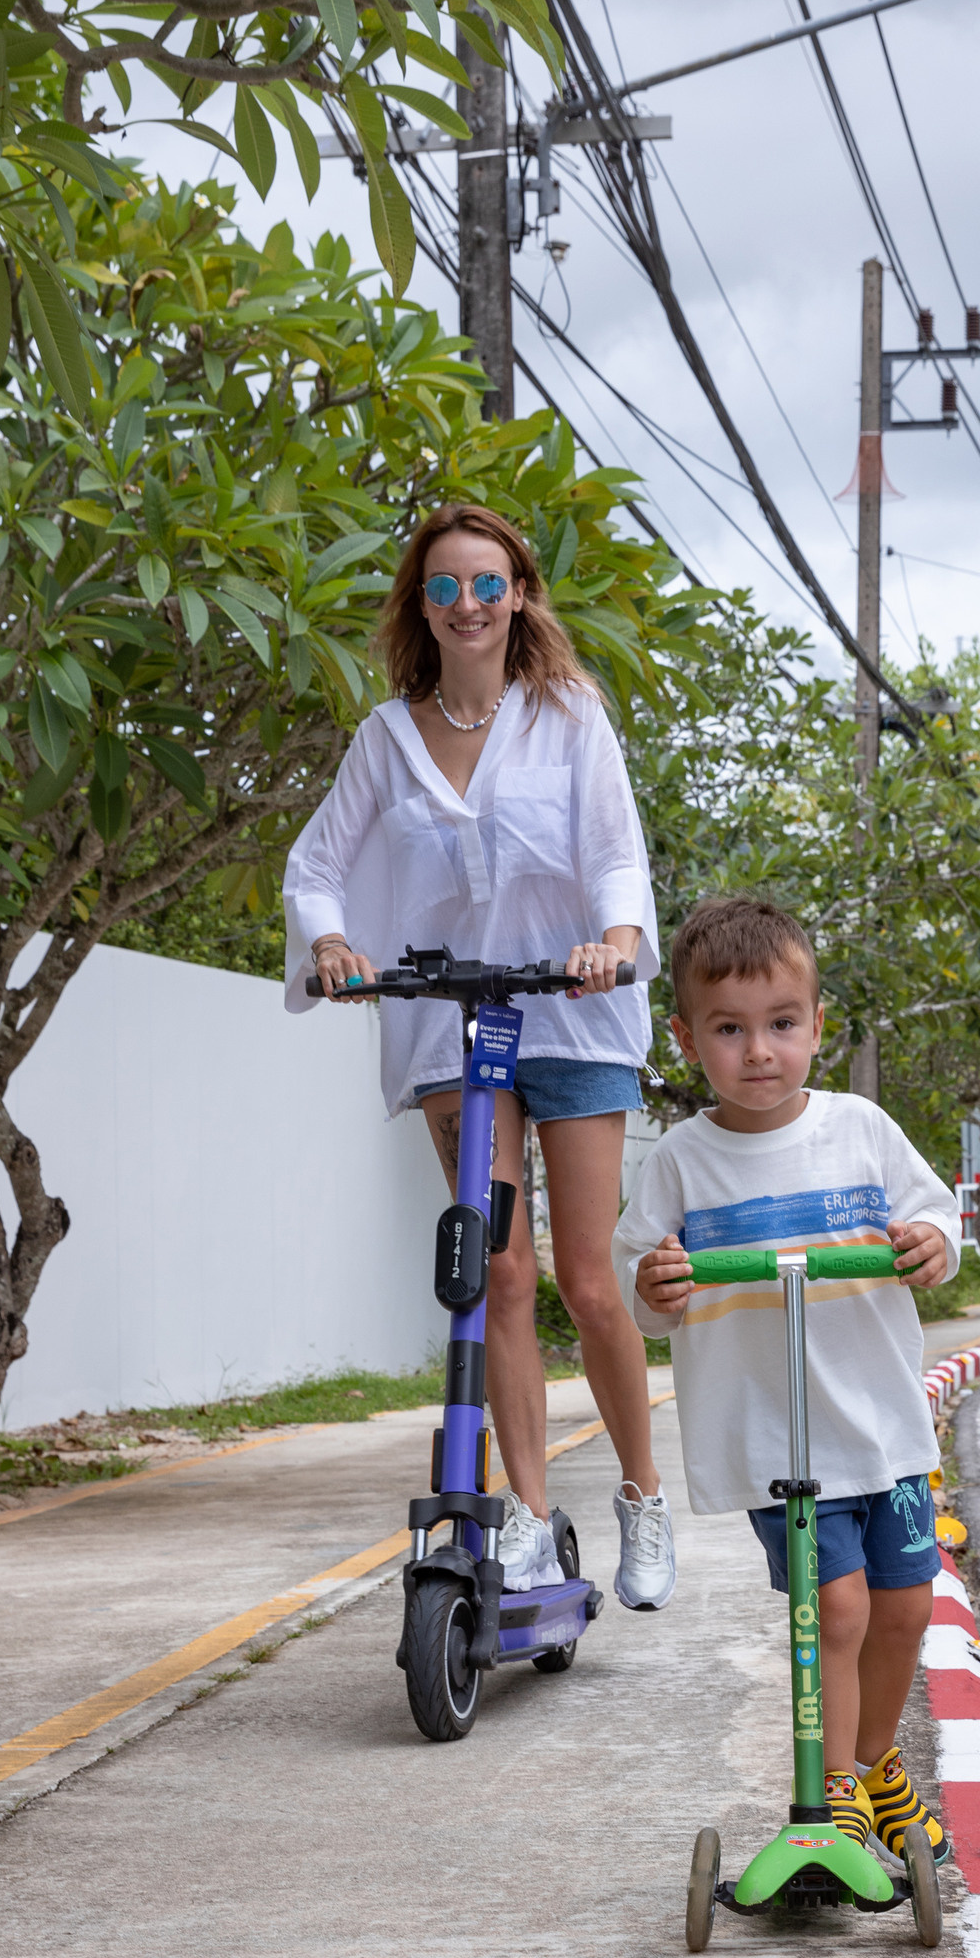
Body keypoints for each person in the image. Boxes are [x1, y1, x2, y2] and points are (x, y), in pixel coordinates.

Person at [282, 502, 675, 1609]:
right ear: (421, 603)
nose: (468, 604)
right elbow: (316, 865)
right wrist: (331, 942)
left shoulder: (568, 715)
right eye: (445, 586)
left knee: (587, 1281)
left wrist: (616, 944)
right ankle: (527, 1521)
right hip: (456, 1026)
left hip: (574, 1016)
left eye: (488, 584)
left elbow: (614, 852)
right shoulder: (385, 738)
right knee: (498, 1274)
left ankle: (642, 1500)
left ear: (519, 597)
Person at [613, 894, 960, 1861]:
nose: (757, 1050)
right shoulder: (683, 1160)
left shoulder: (860, 1130)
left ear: (816, 1026)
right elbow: (638, 1285)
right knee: (836, 1609)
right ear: (686, 1038)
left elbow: (936, 1216)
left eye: (780, 1025)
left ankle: (875, 1763)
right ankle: (835, 1795)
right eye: (729, 1030)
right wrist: (660, 1284)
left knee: (905, 1607)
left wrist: (931, 1242)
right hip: (778, 1439)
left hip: (880, 1425)